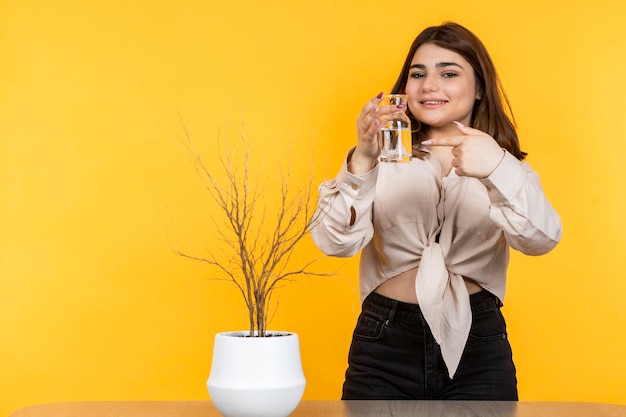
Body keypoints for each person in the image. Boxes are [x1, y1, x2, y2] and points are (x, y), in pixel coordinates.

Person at [310, 22, 562, 401]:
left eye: (448, 73)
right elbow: (334, 243)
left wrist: (497, 168)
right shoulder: (383, 158)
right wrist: (362, 159)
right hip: (384, 340)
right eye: (417, 73)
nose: (429, 85)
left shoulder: (504, 164)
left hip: (479, 342)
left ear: (479, 88)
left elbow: (540, 240)